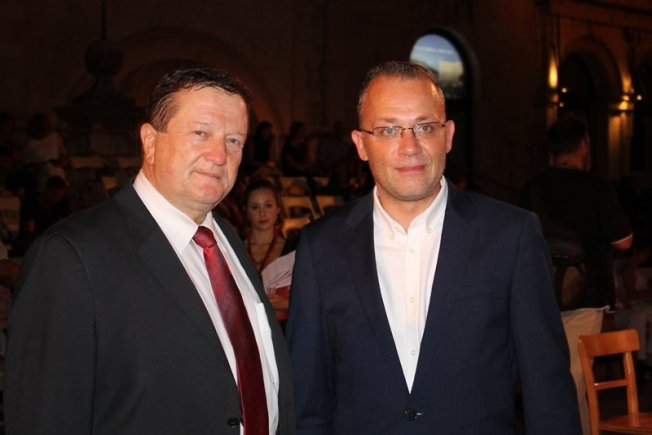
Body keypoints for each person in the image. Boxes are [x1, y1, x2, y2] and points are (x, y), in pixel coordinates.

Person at [286, 61, 580, 434]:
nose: (410, 147)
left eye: (425, 127)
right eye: (389, 130)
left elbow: (548, 389)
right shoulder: (320, 246)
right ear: (361, 144)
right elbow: (305, 399)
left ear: (448, 135)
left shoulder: (511, 236)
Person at [5, 66, 295, 435]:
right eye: (200, 133)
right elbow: (45, 417)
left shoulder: (226, 240)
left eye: (234, 140)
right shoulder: (71, 257)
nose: (219, 155)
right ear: (150, 141)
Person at [520, 115, 633, 309]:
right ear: (583, 145)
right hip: (588, 297)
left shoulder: (532, 187)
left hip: (542, 296)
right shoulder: (596, 187)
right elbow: (624, 242)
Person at [242, 178, 296, 323]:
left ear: (278, 209)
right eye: (255, 207)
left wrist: (286, 304)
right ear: (246, 211)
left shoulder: (293, 250)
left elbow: (309, 298)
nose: (262, 213)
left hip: (283, 328)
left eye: (268, 205)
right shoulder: (235, 249)